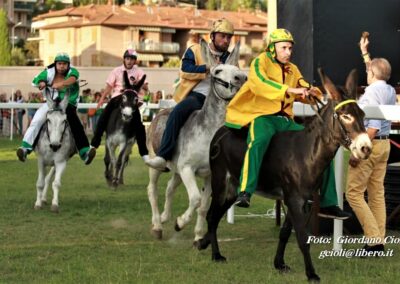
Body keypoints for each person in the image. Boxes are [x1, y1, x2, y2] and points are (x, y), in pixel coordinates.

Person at [227, 28, 351, 219]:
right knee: (258, 141)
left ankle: (328, 203)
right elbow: (259, 84)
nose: (288, 52)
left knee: (321, 147)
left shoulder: (293, 69)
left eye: (290, 48)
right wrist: (290, 90)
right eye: (284, 47)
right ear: (272, 47)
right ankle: (245, 191)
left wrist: (311, 93)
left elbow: (304, 87)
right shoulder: (260, 62)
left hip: (285, 120)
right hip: (263, 117)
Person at [145, 18, 235, 170]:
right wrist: (205, 68)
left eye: (229, 37)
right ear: (212, 36)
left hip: (222, 100)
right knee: (178, 112)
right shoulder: (194, 50)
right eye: (223, 36)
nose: (226, 40)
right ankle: (163, 155)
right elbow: (184, 71)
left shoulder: (229, 57)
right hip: (198, 96)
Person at [345, 35, 396, 252]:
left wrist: (358, 153)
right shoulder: (389, 89)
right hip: (385, 146)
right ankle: (379, 240)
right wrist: (365, 53)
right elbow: (375, 73)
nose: (366, 72)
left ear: (373, 74)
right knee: (376, 194)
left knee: (353, 193)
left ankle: (373, 239)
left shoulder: (372, 91)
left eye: (368, 71)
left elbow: (372, 126)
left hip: (371, 145)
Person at [16, 52, 96, 165]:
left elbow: (72, 79)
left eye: (64, 64)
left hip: (67, 104)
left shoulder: (73, 71)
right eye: (59, 64)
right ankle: (25, 149)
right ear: (55, 64)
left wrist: (61, 84)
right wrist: (42, 82)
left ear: (68, 65)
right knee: (37, 120)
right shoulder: (48, 71)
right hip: (50, 103)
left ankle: (84, 152)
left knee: (75, 123)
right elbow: (39, 79)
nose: (62, 66)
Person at [90, 49, 149, 162]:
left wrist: (139, 84)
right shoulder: (116, 71)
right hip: (118, 98)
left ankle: (144, 154)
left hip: (132, 101)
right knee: (103, 118)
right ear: (124, 59)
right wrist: (102, 99)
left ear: (135, 61)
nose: (129, 61)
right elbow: (109, 87)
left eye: (132, 59)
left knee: (139, 126)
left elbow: (146, 87)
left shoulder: (139, 71)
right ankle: (93, 146)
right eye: (127, 58)